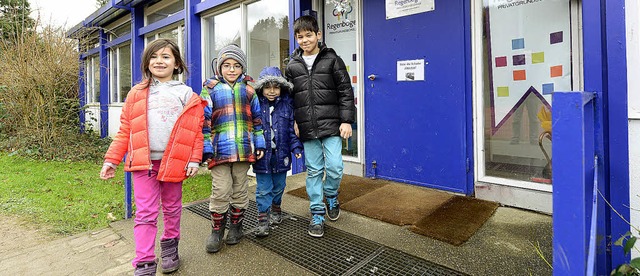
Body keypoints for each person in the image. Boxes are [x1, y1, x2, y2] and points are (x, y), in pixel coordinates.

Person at [99, 38, 206, 276]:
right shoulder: (135, 94)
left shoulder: (185, 93)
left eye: (166, 57)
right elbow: (125, 130)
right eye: (154, 57)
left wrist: (194, 159)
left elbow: (195, 132)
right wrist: (111, 160)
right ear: (147, 63)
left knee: (171, 208)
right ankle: (145, 261)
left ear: (177, 63)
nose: (160, 61)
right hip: (143, 162)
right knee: (146, 212)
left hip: (174, 162)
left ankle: (170, 247)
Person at [285, 15, 356, 238]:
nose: (304, 40)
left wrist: (346, 120)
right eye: (300, 37)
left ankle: (331, 194)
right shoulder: (292, 65)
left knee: (335, 166)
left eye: (308, 35)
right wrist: (295, 120)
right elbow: (290, 97)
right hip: (306, 126)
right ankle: (317, 212)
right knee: (314, 170)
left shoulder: (332, 60)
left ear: (318, 35)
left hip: (332, 124)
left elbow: (346, 92)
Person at [201, 44, 266, 253]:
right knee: (221, 190)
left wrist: (260, 142)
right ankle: (217, 229)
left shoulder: (249, 90)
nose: (231, 69)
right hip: (219, 150)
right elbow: (204, 121)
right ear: (219, 67)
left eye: (237, 66)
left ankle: (236, 227)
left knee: (240, 188)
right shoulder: (210, 89)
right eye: (226, 65)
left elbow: (257, 119)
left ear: (242, 68)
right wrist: (204, 146)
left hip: (243, 149)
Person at [252, 66, 303, 237]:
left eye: (276, 87)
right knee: (263, 188)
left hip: (281, 155)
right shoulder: (256, 106)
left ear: (282, 88)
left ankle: (276, 207)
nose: (272, 91)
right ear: (261, 89)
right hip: (262, 156)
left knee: (279, 185)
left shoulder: (286, 107)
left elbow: (290, 130)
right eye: (267, 87)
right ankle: (262, 219)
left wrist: (296, 147)